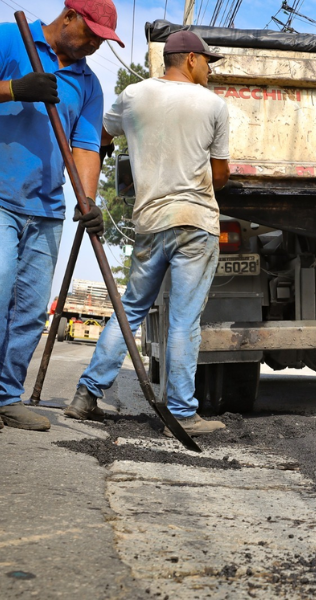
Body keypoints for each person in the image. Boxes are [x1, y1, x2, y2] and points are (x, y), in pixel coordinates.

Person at [65, 30, 231, 437]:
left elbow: (99, 139)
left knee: (130, 310)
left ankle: (86, 396)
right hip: (195, 223)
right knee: (184, 320)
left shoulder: (133, 97)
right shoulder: (213, 106)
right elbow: (221, 175)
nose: (210, 69)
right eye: (207, 61)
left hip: (151, 223)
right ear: (190, 59)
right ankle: (181, 412)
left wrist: (92, 187)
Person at [0, 0, 119, 431]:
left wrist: (87, 203)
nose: (93, 47)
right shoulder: (10, 38)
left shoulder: (88, 84)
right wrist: (14, 89)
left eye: (101, 42)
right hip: (1, 198)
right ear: (68, 17)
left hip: (46, 208)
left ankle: (5, 397)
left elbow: (85, 146)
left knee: (31, 310)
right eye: (90, 35)